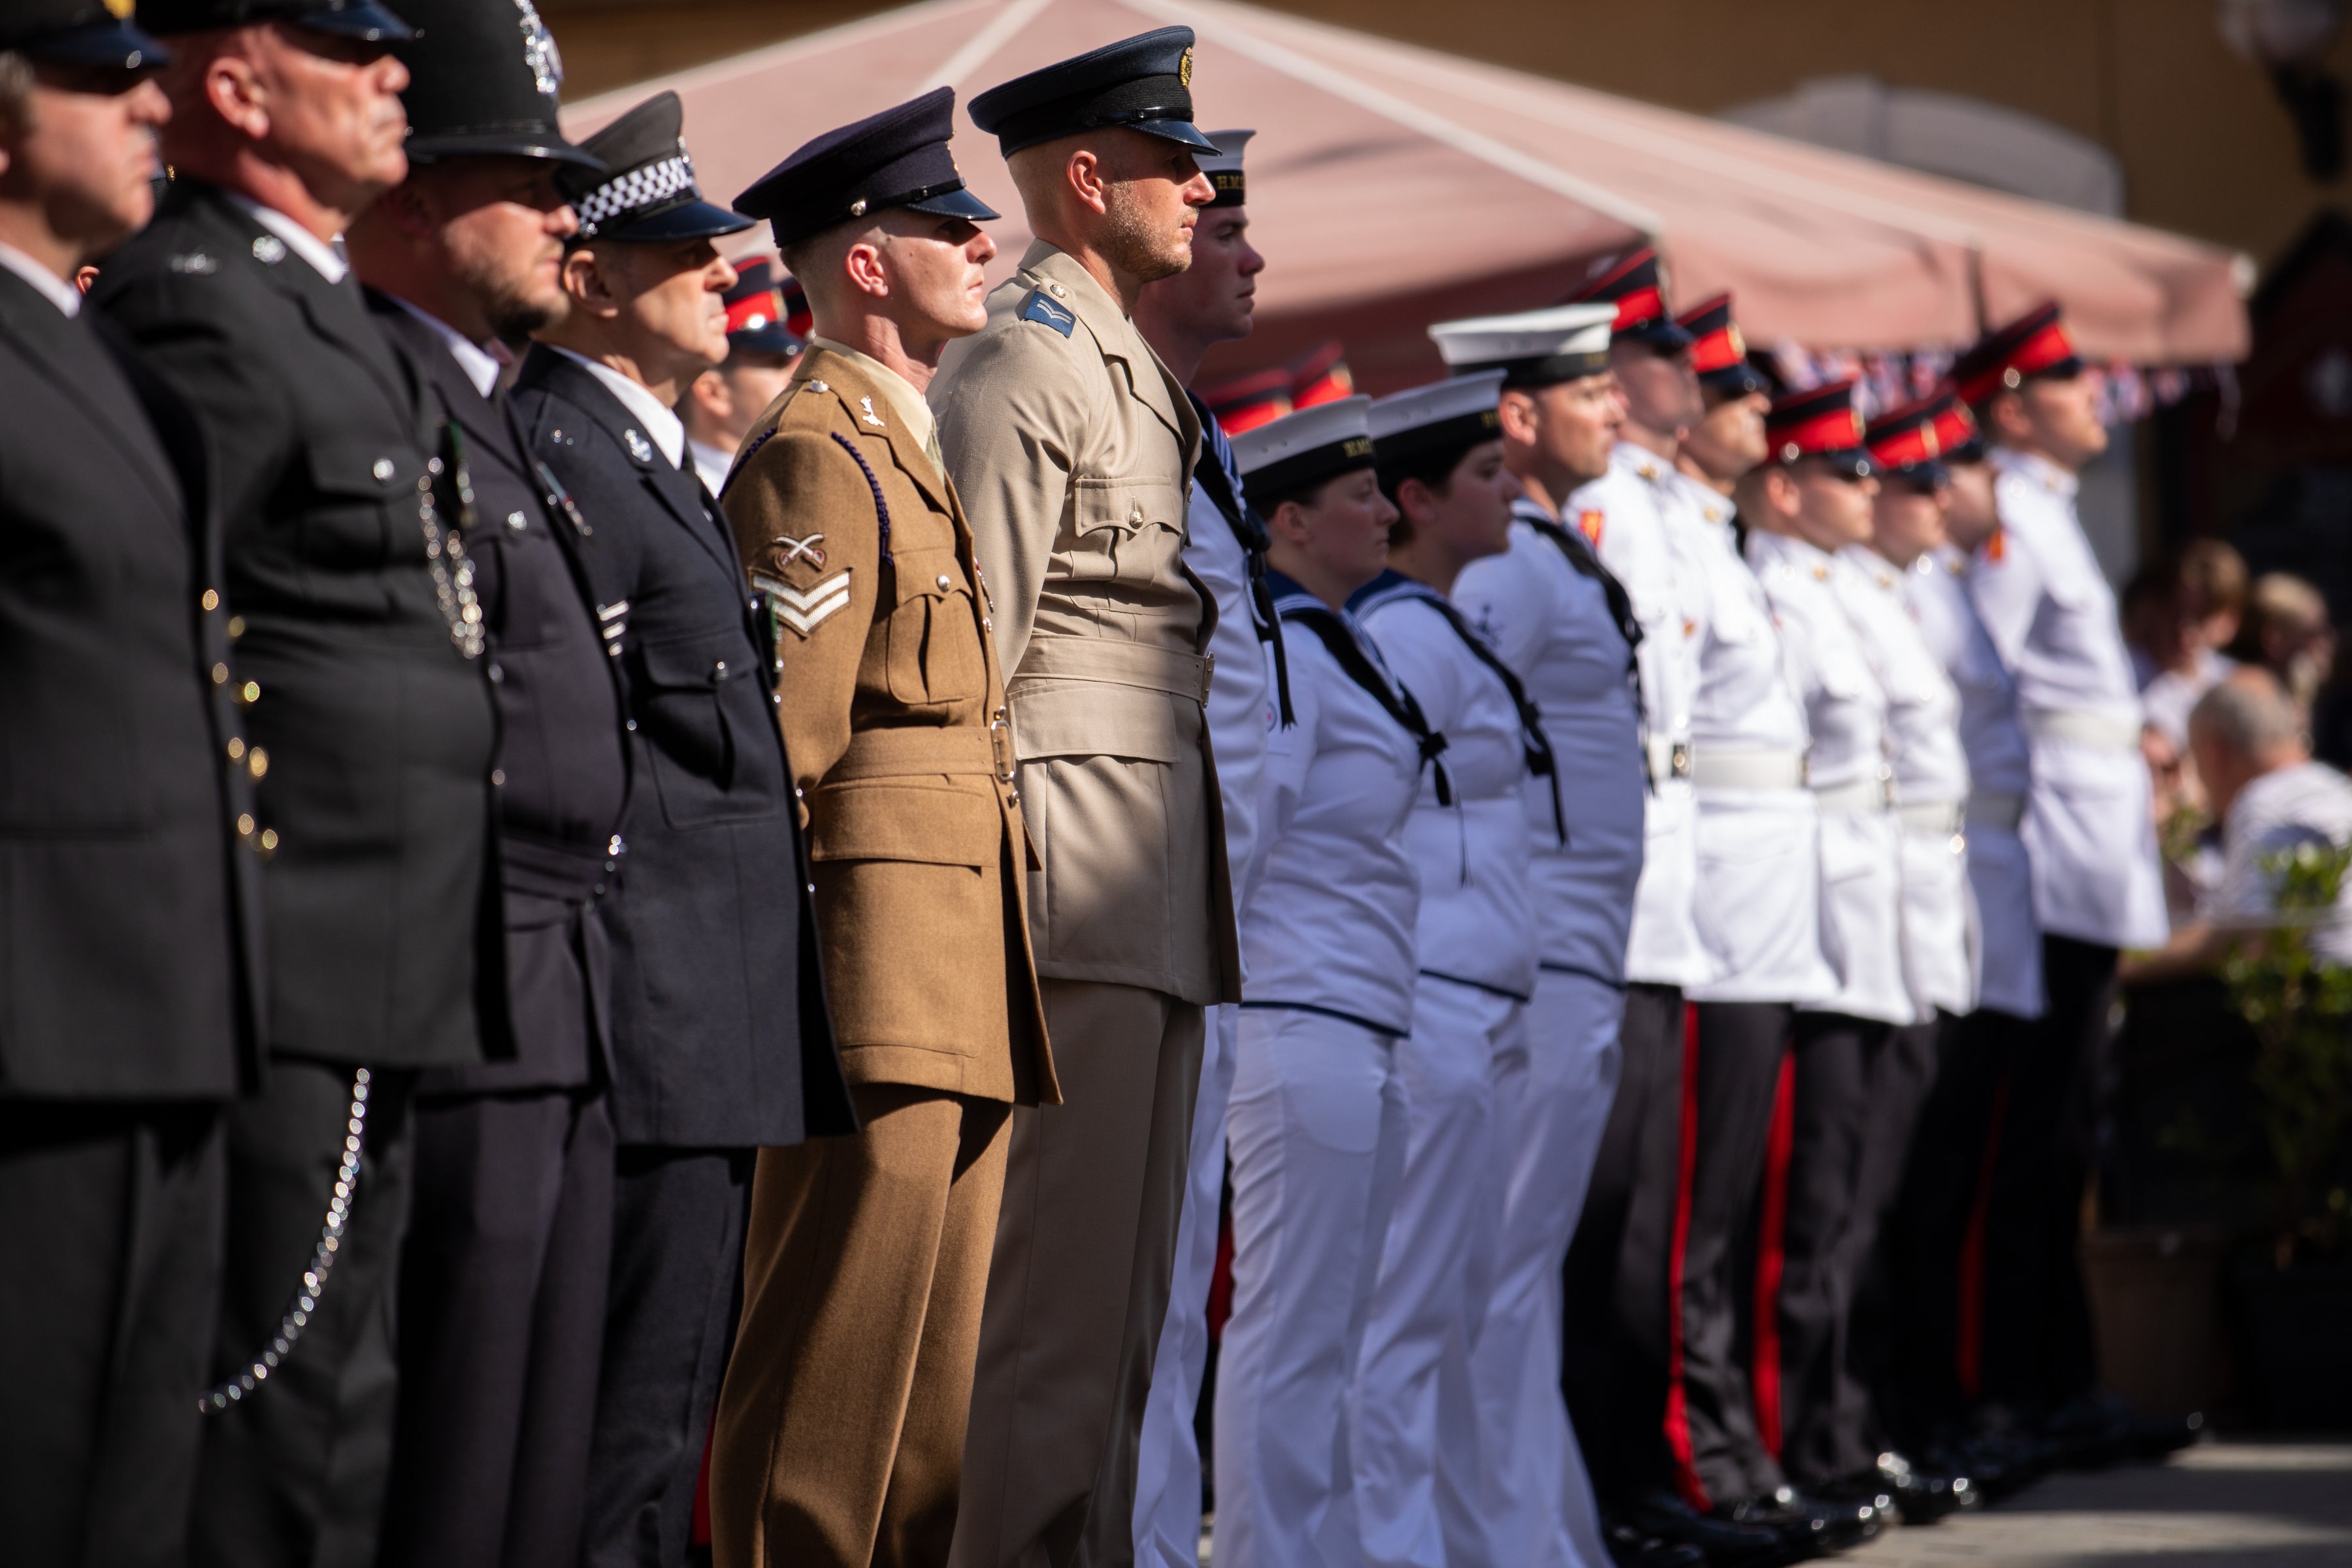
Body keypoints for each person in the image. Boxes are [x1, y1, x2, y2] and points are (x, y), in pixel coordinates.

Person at [93, 1, 505, 1555]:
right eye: (351, 43)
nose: (396, 72)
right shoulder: (197, 301)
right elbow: (170, 635)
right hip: (292, 948)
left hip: (376, 947)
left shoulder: (304, 298)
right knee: (274, 1420)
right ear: (238, 81)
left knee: (341, 1407)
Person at [509, 91, 854, 1568]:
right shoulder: (567, 450)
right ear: (589, 277)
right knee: (622, 1440)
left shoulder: (644, 455)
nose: (727, 273)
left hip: (707, 1024)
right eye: (682, 250)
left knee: (668, 1433)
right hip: (649, 1028)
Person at [706, 89, 1049, 1568]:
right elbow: (784, 746)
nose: (982, 239)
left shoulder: (900, 438)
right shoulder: (813, 451)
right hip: (875, 970)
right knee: (828, 1384)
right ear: (861, 260)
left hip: (962, 959)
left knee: (927, 1406)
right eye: (942, 223)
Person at [930, 31, 1241, 1565]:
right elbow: (962, 666)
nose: (1201, 184)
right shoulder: (1019, 356)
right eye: (1171, 159)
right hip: (1063, 888)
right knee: (1048, 1324)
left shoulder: (1119, 360)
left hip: (1149, 884)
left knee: (1123, 1321)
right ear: (1085, 177)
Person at [347, 6, 629, 1561]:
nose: (565, 212)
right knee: (452, 1457)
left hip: (559, 986)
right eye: (525, 178)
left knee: (545, 1455)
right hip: (467, 978)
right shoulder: (389, 388)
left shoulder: (489, 407)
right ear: (415, 197)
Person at [0, 7, 258, 1559]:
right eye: (102, 86)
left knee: (140, 1483)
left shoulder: (93, 357)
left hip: (168, 1005)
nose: (148, 103)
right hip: (41, 1020)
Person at [1436, 304, 1645, 1568]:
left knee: (1521, 1279)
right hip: (1542, 956)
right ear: (1517, 418)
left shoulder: (1548, 551)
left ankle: (1538, 1529)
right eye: (1591, 390)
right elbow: (1465, 756)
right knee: (1503, 1280)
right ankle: (1506, 1543)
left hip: (1576, 950)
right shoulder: (1511, 567)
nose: (1617, 407)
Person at [1950, 303, 2170, 1441]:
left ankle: (2056, 1379)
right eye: (2074, 386)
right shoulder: (2012, 524)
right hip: (2047, 853)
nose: (2097, 403)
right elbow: (1978, 685)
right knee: (2030, 1136)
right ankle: (2012, 1389)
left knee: (2067, 1126)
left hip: (2088, 851)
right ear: (2015, 407)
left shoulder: (2047, 516)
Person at [1214, 397, 1420, 1568]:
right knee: (1290, 1333)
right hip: (1300, 1017)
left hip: (1355, 1012)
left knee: (1332, 1334)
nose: (1386, 512)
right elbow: (1253, 830)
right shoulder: (1282, 642)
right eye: (1360, 497)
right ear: (1288, 520)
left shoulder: (1337, 637)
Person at [1715, 383, 1901, 1548]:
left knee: (1847, 1205)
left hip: (1851, 910)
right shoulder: (1770, 583)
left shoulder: (1826, 587)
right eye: (1855, 473)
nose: (1875, 492)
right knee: (1798, 1208)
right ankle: (1789, 1435)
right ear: (1787, 487)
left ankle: (1827, 1429)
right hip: (1797, 914)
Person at [1350, 372, 1531, 1568]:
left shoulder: (1446, 625)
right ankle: (1393, 1549)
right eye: (1484, 474)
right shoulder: (1399, 637)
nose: (1511, 487)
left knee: (1465, 1309)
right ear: (1416, 500)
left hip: (1483, 993)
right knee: (1404, 1320)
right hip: (1435, 997)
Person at [1128, 124, 1277, 1568]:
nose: (1247, 254)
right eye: (1222, 227)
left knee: (1177, 1303)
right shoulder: (1112, 411)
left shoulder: (1190, 425)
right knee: (1131, 1311)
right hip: (1142, 911)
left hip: (1223, 925)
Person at [1806, 393, 1983, 1520]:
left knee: (1904, 1195)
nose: (1900, 497)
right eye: (1877, 479)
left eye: (1904, 482)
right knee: (1842, 1206)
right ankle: (1837, 1431)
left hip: (1917, 910)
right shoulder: (1819, 597)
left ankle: (1877, 1421)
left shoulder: (1898, 600)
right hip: (1842, 915)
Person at [1876, 396, 2048, 1484]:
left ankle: (1952, 1399)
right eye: (1924, 483)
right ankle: (1919, 1405)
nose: (1944, 501)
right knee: (1924, 1177)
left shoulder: (1944, 591)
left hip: (1986, 878)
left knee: (1968, 1170)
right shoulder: (1903, 599)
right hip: (1934, 879)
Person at [2124, 669, 2352, 980]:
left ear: (2215, 754)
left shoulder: (2265, 801)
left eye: (2197, 766)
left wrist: (2123, 966)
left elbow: (2255, 941)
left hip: (2323, 1008)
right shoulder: (2338, 789)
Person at [682, 255, 804, 493]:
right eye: (778, 364)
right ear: (713, 392)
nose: (797, 375)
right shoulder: (691, 494)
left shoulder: (775, 473)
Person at [2129, 539, 2246, 753]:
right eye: (2177, 611)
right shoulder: (2122, 677)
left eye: (2202, 617)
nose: (2185, 629)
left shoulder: (2234, 683)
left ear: (2229, 623)